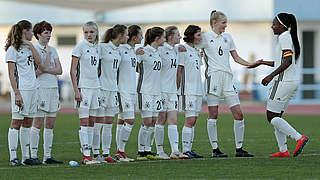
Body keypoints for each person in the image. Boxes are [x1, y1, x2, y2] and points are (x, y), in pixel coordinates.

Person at [248, 13, 309, 157]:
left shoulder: (284, 37)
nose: (272, 26)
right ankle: (283, 150)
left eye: (274, 24)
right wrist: (262, 62)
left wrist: (270, 76)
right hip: (290, 82)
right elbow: (281, 61)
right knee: (277, 116)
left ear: (282, 26)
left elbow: (287, 62)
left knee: (271, 117)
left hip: (283, 82)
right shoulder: (287, 37)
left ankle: (299, 138)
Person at [199, 10, 257, 157]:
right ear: (214, 23)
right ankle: (215, 150)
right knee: (213, 114)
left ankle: (239, 149)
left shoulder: (228, 37)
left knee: (238, 114)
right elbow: (193, 50)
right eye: (223, 22)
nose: (226, 25)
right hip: (213, 78)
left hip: (227, 79)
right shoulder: (204, 38)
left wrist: (251, 64)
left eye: (226, 22)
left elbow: (236, 58)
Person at [5, 20, 47, 166]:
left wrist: (30, 45)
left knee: (27, 123)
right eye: (30, 31)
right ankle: (13, 157)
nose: (32, 34)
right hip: (21, 90)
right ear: (25, 32)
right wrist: (16, 93)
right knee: (16, 122)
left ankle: (25, 157)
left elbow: (40, 62)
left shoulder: (30, 47)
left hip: (33, 89)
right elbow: (11, 74)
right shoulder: (12, 49)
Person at [29, 21, 64, 165]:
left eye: (49, 32)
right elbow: (37, 71)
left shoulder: (53, 49)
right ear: (38, 34)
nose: (49, 35)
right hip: (40, 89)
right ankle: (33, 155)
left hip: (53, 89)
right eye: (46, 32)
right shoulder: (34, 49)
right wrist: (47, 61)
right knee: (37, 122)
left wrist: (45, 69)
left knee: (50, 123)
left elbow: (59, 70)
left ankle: (47, 156)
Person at [92, 24, 127, 163]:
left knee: (109, 123)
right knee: (98, 122)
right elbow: (94, 65)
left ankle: (106, 153)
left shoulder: (120, 50)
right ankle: (95, 153)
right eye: (126, 34)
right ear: (120, 35)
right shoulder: (102, 47)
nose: (128, 37)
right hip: (101, 88)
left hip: (113, 89)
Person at [155, 26, 189, 159]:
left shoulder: (176, 50)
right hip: (161, 90)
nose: (180, 37)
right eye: (178, 34)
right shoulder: (160, 50)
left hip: (172, 91)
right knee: (161, 120)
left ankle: (175, 151)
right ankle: (159, 150)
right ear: (170, 36)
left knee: (173, 120)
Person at [70, 21, 101, 165]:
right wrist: (76, 90)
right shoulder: (80, 46)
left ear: (96, 33)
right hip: (84, 89)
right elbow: (72, 70)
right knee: (84, 121)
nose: (89, 35)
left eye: (92, 32)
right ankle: (86, 156)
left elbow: (98, 69)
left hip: (96, 88)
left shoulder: (97, 48)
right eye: (86, 32)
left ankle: (89, 153)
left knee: (92, 122)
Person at [115, 25, 144, 162]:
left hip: (131, 90)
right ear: (134, 37)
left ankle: (119, 152)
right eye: (140, 35)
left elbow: (135, 69)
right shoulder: (120, 50)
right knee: (130, 120)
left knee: (121, 121)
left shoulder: (132, 51)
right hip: (123, 90)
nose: (142, 37)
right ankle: (120, 151)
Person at [136, 27, 165, 160]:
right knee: (147, 121)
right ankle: (140, 150)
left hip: (156, 91)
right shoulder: (143, 51)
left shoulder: (158, 52)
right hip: (145, 90)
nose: (165, 39)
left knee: (153, 121)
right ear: (157, 38)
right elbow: (135, 67)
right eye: (163, 37)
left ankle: (147, 150)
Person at [177, 25, 204, 158]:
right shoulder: (182, 49)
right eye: (199, 35)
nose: (201, 37)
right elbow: (179, 69)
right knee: (190, 119)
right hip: (188, 90)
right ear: (192, 35)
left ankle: (189, 149)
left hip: (198, 89)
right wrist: (177, 88)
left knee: (194, 120)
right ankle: (185, 150)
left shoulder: (196, 50)